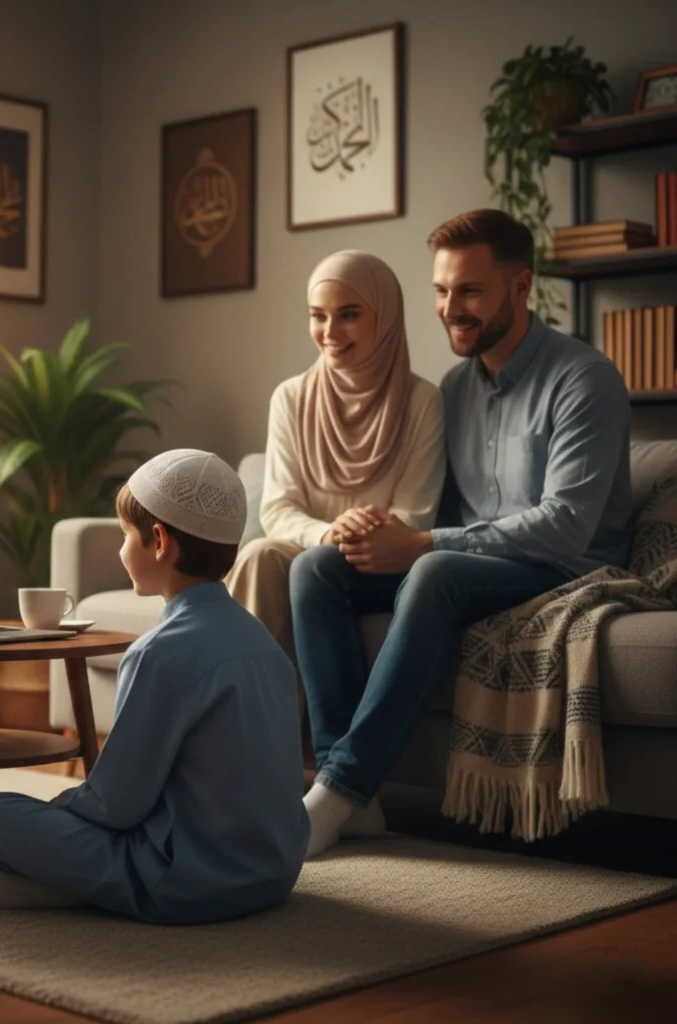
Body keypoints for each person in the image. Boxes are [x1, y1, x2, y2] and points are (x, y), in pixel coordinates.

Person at [291, 209, 633, 858]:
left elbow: (565, 525)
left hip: (566, 567)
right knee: (318, 569)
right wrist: (381, 529)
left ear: (520, 286)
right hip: (478, 565)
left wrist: (422, 543)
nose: (452, 308)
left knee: (435, 570)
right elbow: (442, 506)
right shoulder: (453, 389)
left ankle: (339, 789)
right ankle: (351, 797)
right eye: (442, 292)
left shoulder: (583, 378)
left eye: (470, 292)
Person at [0, 449, 309, 924]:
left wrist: (57, 813)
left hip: (185, 883)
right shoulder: (266, 646)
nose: (120, 549)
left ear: (160, 542)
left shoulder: (157, 654)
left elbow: (115, 805)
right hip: (274, 875)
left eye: (126, 535)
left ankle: (63, 887)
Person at [227, 250, 445, 662]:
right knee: (259, 555)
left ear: (385, 318)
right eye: (317, 315)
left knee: (305, 567)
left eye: (348, 314)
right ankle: (248, 716)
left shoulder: (422, 401)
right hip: (305, 550)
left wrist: (355, 537)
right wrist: (328, 534)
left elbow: (416, 516)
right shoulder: (291, 397)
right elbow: (278, 509)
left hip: (380, 564)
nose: (329, 331)